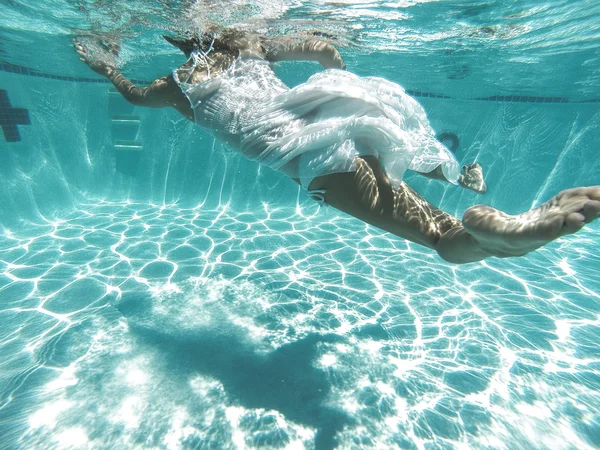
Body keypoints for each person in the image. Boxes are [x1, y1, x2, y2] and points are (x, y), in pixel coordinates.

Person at [75, 28, 600, 264]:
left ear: (180, 41)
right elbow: (323, 49)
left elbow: (136, 97)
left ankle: (501, 239)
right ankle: (500, 220)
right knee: (419, 196)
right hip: (335, 116)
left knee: (440, 240)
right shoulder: (253, 45)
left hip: (309, 156)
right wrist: (339, 88)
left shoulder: (180, 81)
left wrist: (107, 67)